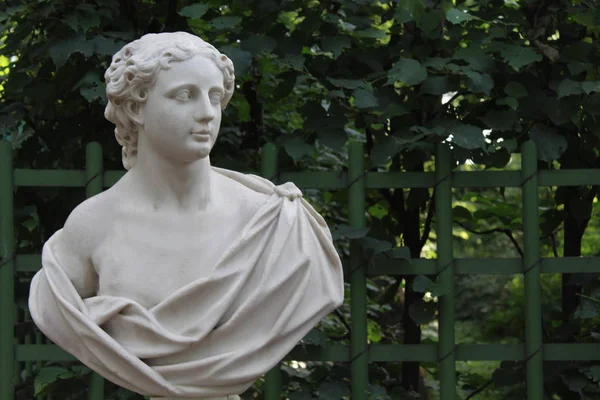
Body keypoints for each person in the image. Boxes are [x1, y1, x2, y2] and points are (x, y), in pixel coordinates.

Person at [29, 32, 344, 399]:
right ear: (136, 108)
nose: (207, 113)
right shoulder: (93, 226)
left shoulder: (277, 223)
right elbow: (57, 307)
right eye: (185, 95)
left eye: (214, 97)